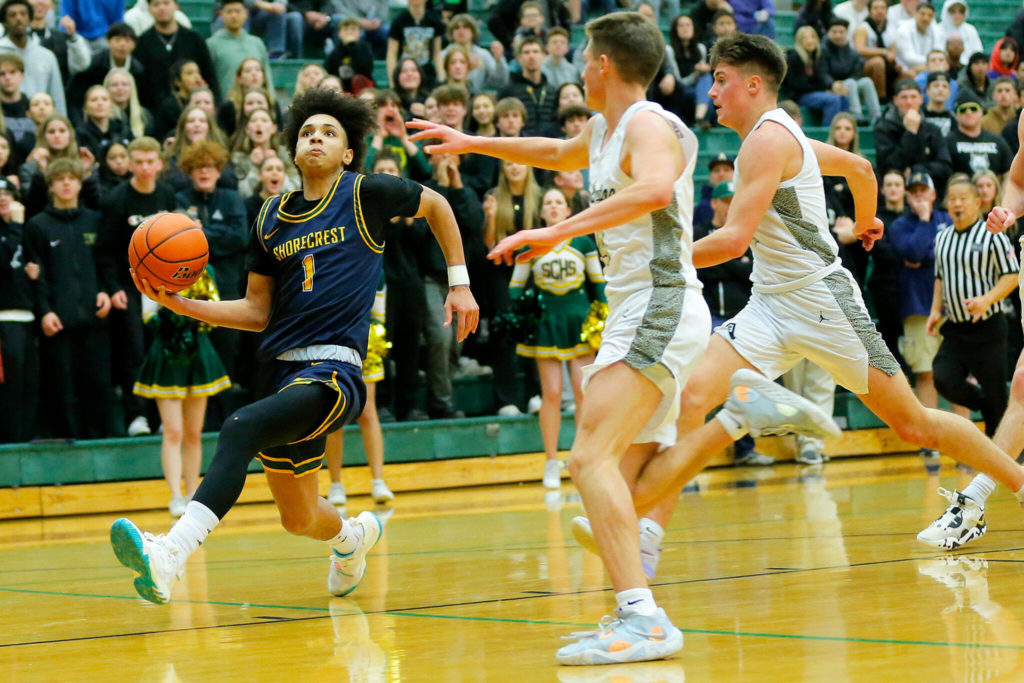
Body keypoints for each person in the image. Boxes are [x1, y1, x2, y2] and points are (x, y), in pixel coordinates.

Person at [409, 16, 832, 665]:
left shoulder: (647, 123)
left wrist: (557, 232)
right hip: (640, 308)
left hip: (659, 303)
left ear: (604, 63)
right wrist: (470, 140)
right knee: (628, 472)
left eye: (584, 54)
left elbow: (658, 187)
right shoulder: (607, 128)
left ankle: (645, 617)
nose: (579, 64)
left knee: (587, 459)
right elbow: (555, 153)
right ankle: (735, 423)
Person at [572, 33, 1024, 582]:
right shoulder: (782, 134)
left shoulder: (766, 141)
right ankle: (648, 540)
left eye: (721, 79)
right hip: (769, 306)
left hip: (822, 301)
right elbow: (859, 167)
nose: (712, 89)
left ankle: (1019, 485)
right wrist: (864, 221)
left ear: (753, 84)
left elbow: (734, 238)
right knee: (690, 398)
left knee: (914, 425)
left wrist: (659, 261)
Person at [110, 88, 479, 606]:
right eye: (308, 131)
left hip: (336, 371)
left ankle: (169, 553)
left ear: (348, 152)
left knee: (239, 426)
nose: (316, 138)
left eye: (329, 132)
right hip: (281, 372)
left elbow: (437, 204)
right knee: (299, 516)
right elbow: (256, 311)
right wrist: (180, 305)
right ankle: (353, 540)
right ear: (294, 148)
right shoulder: (270, 216)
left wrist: (459, 283)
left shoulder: (364, 193)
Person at [919, 111, 1024, 550]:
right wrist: (1009, 209)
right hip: (963, 325)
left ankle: (974, 499)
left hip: (990, 323)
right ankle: (973, 502)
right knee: (1021, 385)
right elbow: (1018, 176)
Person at [510, 187, 605, 487]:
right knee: (551, 393)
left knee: (582, 392)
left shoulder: (583, 242)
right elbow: (515, 288)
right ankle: (551, 461)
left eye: (558, 203)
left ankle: (581, 460)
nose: (553, 207)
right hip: (546, 324)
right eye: (548, 203)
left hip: (579, 321)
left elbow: (598, 284)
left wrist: (602, 314)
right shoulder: (531, 243)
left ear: (567, 210)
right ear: (541, 211)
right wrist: (526, 310)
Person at [134, 263, 231, 518]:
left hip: (198, 351)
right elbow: (148, 316)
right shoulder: (151, 268)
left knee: (193, 433)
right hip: (168, 352)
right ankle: (175, 496)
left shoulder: (205, 269)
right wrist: (174, 320)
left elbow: (215, 307)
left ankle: (192, 495)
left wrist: (193, 321)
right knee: (173, 431)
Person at [25, 158, 112, 439]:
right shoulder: (37, 225)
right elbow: (35, 275)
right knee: (61, 386)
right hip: (57, 320)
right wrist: (45, 311)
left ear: (79, 183)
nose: (66, 183)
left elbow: (106, 264)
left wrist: (106, 293)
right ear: (50, 185)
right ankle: (66, 441)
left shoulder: (95, 221)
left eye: (71, 178)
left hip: (95, 317)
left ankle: (100, 440)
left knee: (98, 384)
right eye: (59, 178)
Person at [927, 175, 1018, 439]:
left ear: (977, 202)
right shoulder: (942, 238)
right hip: (955, 328)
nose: (957, 203)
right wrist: (935, 310)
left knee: (996, 391)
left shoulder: (993, 237)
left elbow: (1012, 275)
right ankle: (987, 406)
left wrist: (987, 299)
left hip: (988, 328)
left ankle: (1005, 460)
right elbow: (939, 277)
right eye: (952, 199)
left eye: (963, 198)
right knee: (943, 378)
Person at [693, 180, 773, 466]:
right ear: (714, 203)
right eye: (724, 200)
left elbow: (750, 273)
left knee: (743, 385)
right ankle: (690, 455)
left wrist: (720, 263)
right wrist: (732, 263)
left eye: (732, 199)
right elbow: (702, 275)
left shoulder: (749, 234)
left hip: (743, 317)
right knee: (701, 386)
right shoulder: (699, 233)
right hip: (708, 317)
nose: (728, 205)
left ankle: (745, 448)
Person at [889, 170, 949, 457]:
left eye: (924, 190)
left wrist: (925, 255)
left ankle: (966, 439)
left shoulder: (949, 219)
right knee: (925, 373)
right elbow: (913, 253)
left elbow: (945, 257)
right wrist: (925, 223)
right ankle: (930, 440)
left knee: (959, 374)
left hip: (952, 306)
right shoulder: (900, 224)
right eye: (914, 191)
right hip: (916, 308)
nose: (919, 196)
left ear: (934, 194)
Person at [324, 276, 394, 505]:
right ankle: (336, 484)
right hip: (331, 342)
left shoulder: (374, 266)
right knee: (336, 411)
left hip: (364, 342)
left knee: (367, 410)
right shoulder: (331, 262)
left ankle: (378, 481)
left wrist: (375, 335)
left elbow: (380, 314)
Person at [0, 177, 37, 442]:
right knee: (10, 386)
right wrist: (14, 225)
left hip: (29, 316)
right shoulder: (16, 226)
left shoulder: (26, 228)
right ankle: (12, 443)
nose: (3, 198)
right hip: (4, 317)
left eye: (7, 193)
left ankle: (25, 439)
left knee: (29, 385)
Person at [133, 0, 219, 110]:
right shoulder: (142, 43)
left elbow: (210, 77)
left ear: (176, 6)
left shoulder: (194, 40)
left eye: (166, 3)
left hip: (194, 112)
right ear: (149, 9)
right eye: (156, 4)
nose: (162, 8)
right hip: (154, 111)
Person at [0, 0, 66, 115]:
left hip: (41, 121)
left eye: (23, 14)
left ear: (30, 19)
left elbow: (57, 97)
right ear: (4, 22)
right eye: (12, 15)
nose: (19, 18)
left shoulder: (46, 56)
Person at [206, 0, 275, 101]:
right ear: (221, 15)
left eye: (238, 11)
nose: (234, 16)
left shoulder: (257, 43)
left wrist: (271, 99)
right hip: (227, 106)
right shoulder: (212, 44)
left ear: (246, 14)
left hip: (256, 106)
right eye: (229, 12)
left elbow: (267, 76)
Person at [947, 90, 1013, 178]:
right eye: (963, 110)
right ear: (956, 115)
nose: (968, 112)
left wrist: (1003, 191)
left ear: (981, 112)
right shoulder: (947, 142)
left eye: (973, 108)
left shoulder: (997, 141)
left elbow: (1009, 174)